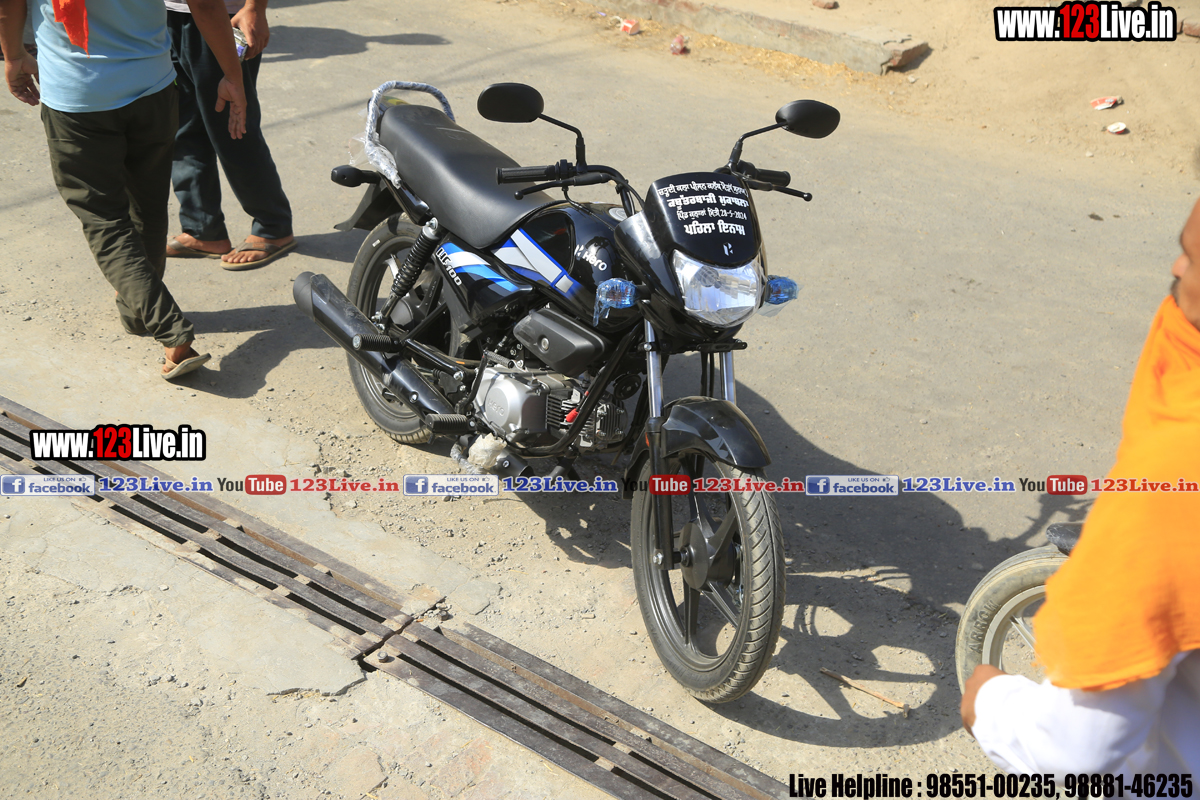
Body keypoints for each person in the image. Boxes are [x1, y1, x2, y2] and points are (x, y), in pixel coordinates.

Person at [961, 198, 1200, 773]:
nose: (1176, 268)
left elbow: (1076, 752)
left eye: (1193, 259)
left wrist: (988, 701)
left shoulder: (1176, 478)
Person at [1, 0, 247, 380]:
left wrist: (14, 56)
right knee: (148, 207)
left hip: (78, 100)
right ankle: (137, 312)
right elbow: (204, 4)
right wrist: (232, 75)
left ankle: (172, 332)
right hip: (153, 89)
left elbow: (9, 4)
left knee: (105, 220)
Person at [163, 0, 295, 270]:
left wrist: (255, 8)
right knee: (183, 126)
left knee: (233, 127)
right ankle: (202, 228)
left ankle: (273, 226)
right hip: (168, 13)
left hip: (222, 16)